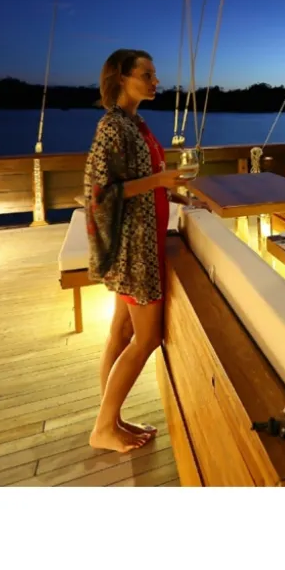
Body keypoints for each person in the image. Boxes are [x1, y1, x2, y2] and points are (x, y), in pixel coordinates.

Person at [84, 48, 196, 453]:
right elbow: (101, 194)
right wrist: (159, 181)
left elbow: (142, 180)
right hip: (134, 248)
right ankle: (103, 428)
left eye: (154, 74)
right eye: (146, 75)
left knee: (122, 331)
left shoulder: (136, 123)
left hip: (142, 239)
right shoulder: (113, 126)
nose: (155, 81)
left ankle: (110, 418)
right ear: (121, 78)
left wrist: (173, 194)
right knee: (147, 338)